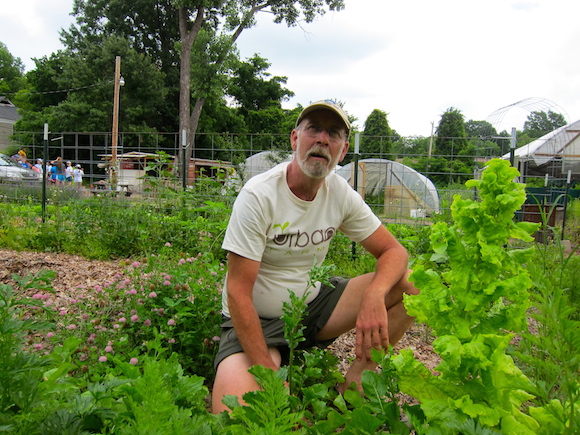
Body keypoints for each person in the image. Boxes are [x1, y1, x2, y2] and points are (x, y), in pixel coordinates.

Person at [211, 100, 419, 414]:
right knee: (239, 418)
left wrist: (376, 294)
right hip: (258, 321)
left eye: (333, 133)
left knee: (413, 285)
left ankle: (355, 389)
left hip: (311, 309)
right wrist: (268, 374)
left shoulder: (339, 193)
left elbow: (394, 251)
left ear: (343, 150)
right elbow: (238, 293)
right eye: (314, 129)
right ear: (296, 139)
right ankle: (270, 361)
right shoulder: (260, 195)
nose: (322, 139)